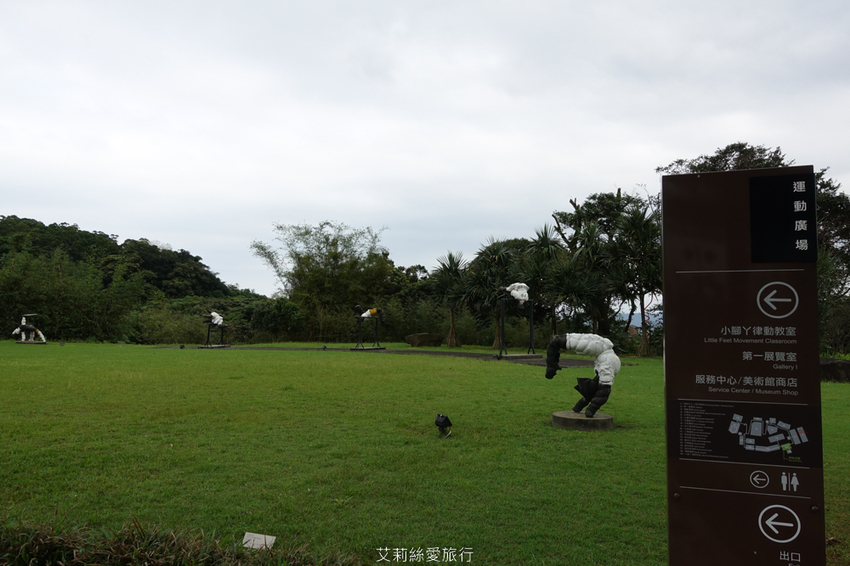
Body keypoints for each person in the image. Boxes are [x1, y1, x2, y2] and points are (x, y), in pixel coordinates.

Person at [545, 333, 621, 417]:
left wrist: (591, 409)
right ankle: (580, 407)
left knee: (602, 386)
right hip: (606, 357)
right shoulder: (604, 349)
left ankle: (586, 408)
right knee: (596, 386)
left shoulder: (606, 360)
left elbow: (605, 390)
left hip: (607, 361)